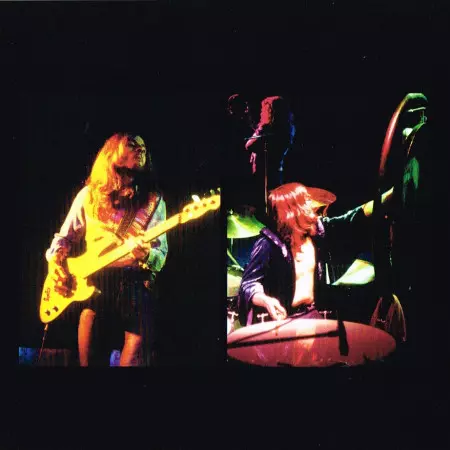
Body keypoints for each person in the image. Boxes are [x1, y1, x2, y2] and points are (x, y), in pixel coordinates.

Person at [45, 132, 168, 366]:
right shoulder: (89, 196)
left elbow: (160, 256)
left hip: (135, 287)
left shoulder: (153, 200)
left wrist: (146, 254)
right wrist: (55, 265)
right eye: (132, 144)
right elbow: (63, 239)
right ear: (112, 153)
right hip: (95, 288)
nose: (140, 149)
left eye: (143, 146)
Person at [238, 182, 393, 326]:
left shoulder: (316, 232)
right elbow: (249, 284)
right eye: (305, 200)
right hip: (281, 320)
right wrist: (265, 300)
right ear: (293, 209)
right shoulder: (269, 243)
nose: (311, 204)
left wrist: (389, 195)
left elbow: (351, 219)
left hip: (311, 314)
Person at [244, 96, 296, 218]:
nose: (261, 113)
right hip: (276, 172)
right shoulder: (287, 128)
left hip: (263, 174)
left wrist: (260, 128)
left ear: (270, 111)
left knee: (262, 207)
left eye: (264, 110)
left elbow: (249, 145)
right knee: (273, 206)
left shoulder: (267, 129)